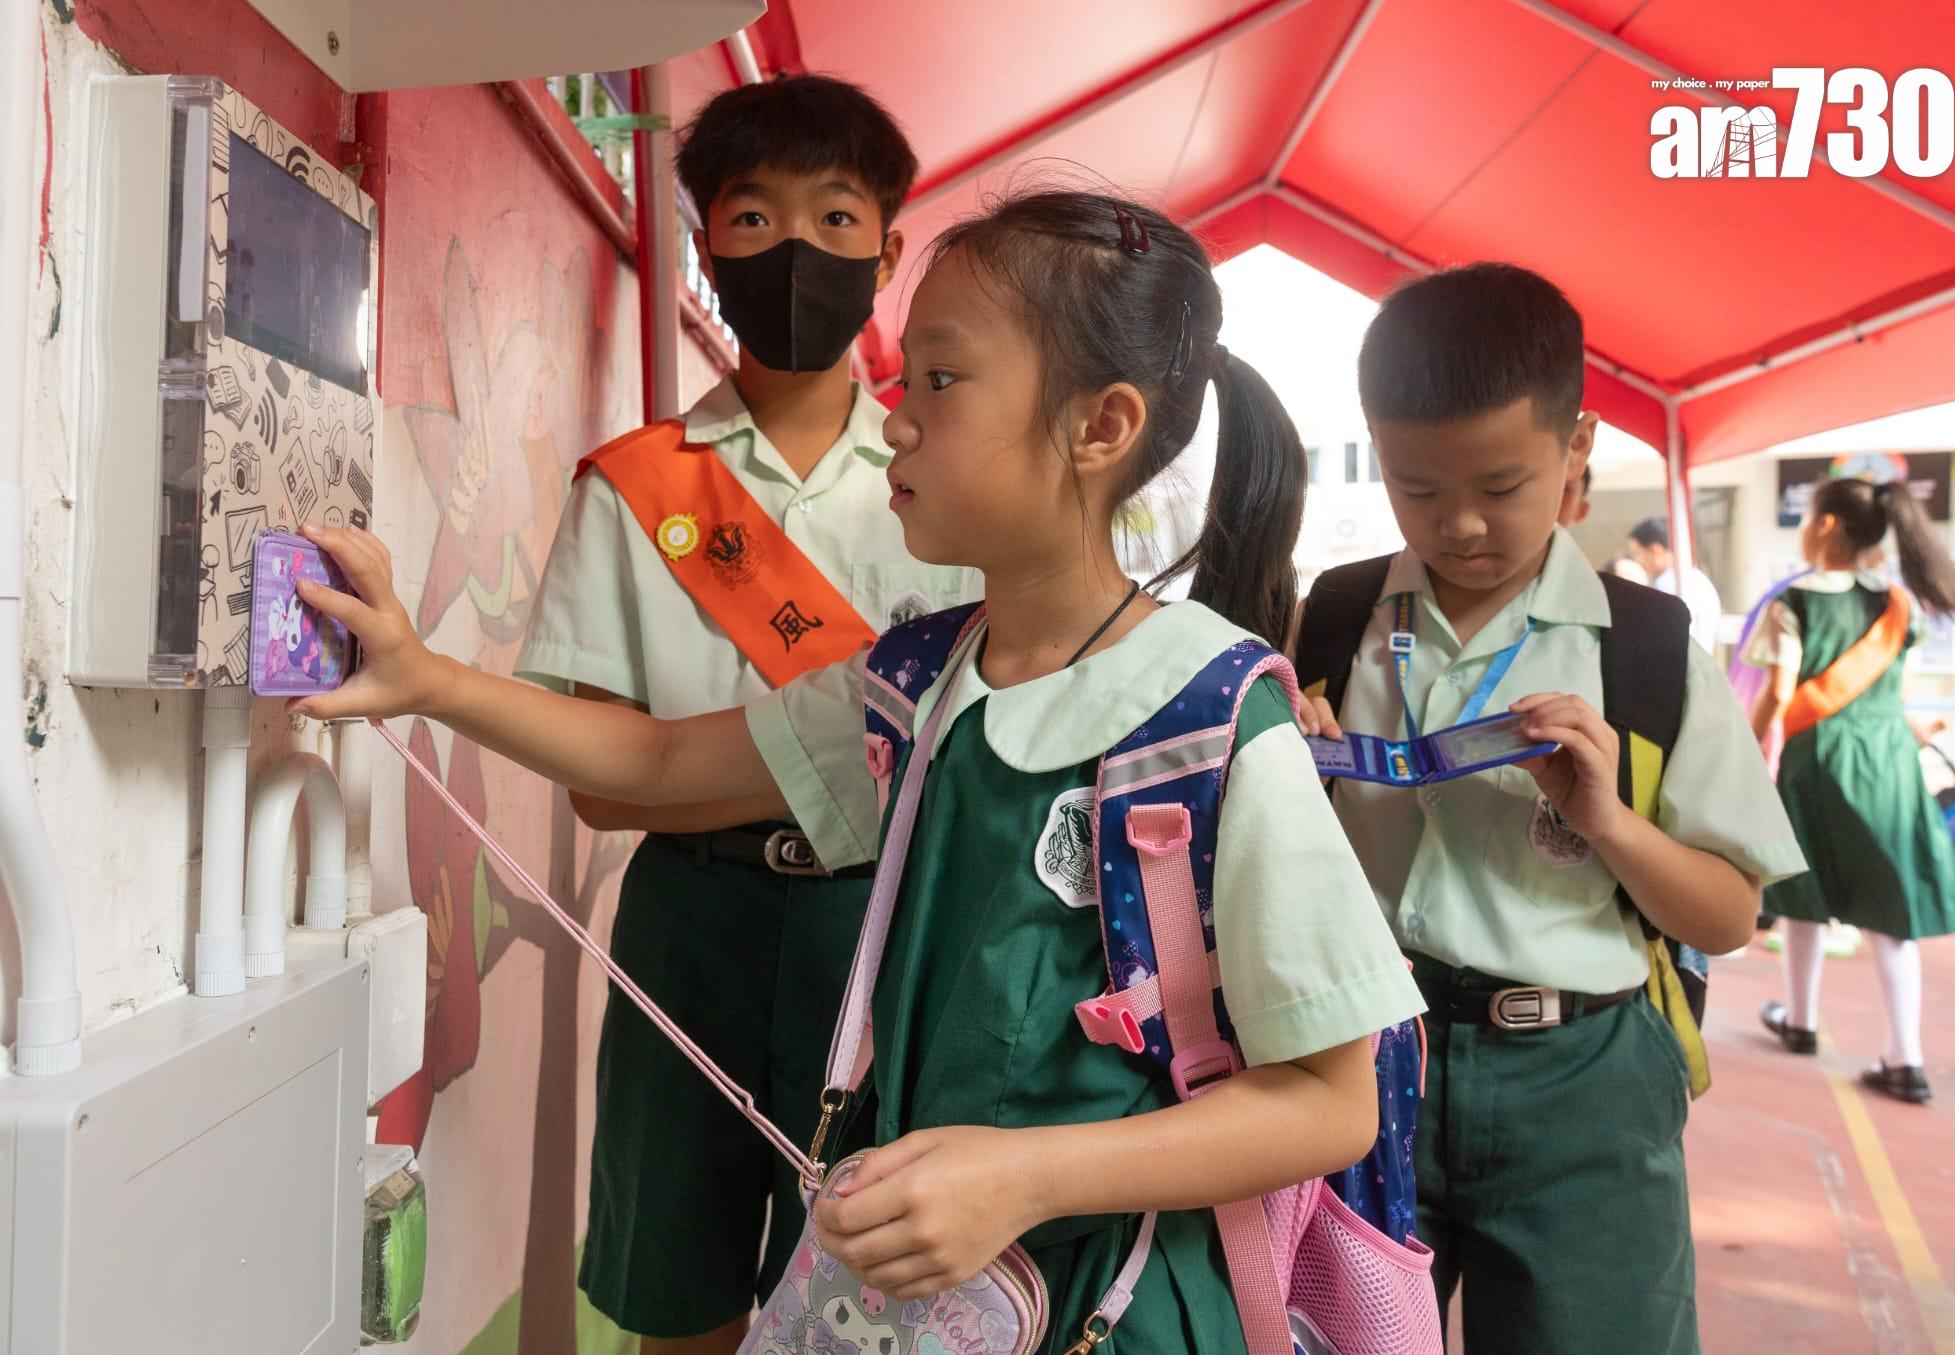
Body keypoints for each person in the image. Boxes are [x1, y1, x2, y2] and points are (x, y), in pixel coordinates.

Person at [293, 190, 1424, 1353]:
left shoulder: (1213, 716)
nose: (895, 421)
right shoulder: (920, 679)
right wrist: (425, 678)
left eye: (939, 380)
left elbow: (1331, 1099)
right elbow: (667, 755)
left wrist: (1026, 1177)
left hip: (1124, 1310)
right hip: (932, 1304)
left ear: (1099, 428)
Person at [511, 75, 977, 1353]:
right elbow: (605, 786)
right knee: (681, 1287)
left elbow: (981, 751)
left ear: (887, 251)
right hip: (687, 924)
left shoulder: (950, 486)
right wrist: (849, 767)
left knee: (880, 1298)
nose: (794, 252)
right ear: (704, 242)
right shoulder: (637, 487)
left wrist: (696, 766)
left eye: (835, 221)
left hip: (886, 926)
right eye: (752, 219)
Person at [1297, 263, 1804, 1354]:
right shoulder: (1337, 617)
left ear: (1575, 453)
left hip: (1581, 1085)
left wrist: (1610, 815)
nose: (1460, 522)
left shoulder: (1648, 646)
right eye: (1415, 486)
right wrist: (1287, 771)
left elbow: (1723, 918)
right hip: (1360, 1063)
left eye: (1499, 481)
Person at [1747, 476, 1955, 1104]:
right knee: (1890, 906)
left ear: (1825, 525)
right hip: (1887, 761)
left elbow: (1779, 692)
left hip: (1817, 758)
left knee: (1801, 891)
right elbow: (1892, 691)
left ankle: (1799, 1023)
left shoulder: (1795, 600)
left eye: (1807, 516)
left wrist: (1747, 751)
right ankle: (1905, 1059)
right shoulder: (1899, 605)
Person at [1626, 515, 1723, 652]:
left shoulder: (1669, 586)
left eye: (1637, 553)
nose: (1637, 561)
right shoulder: (1697, 580)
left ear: (1655, 550)